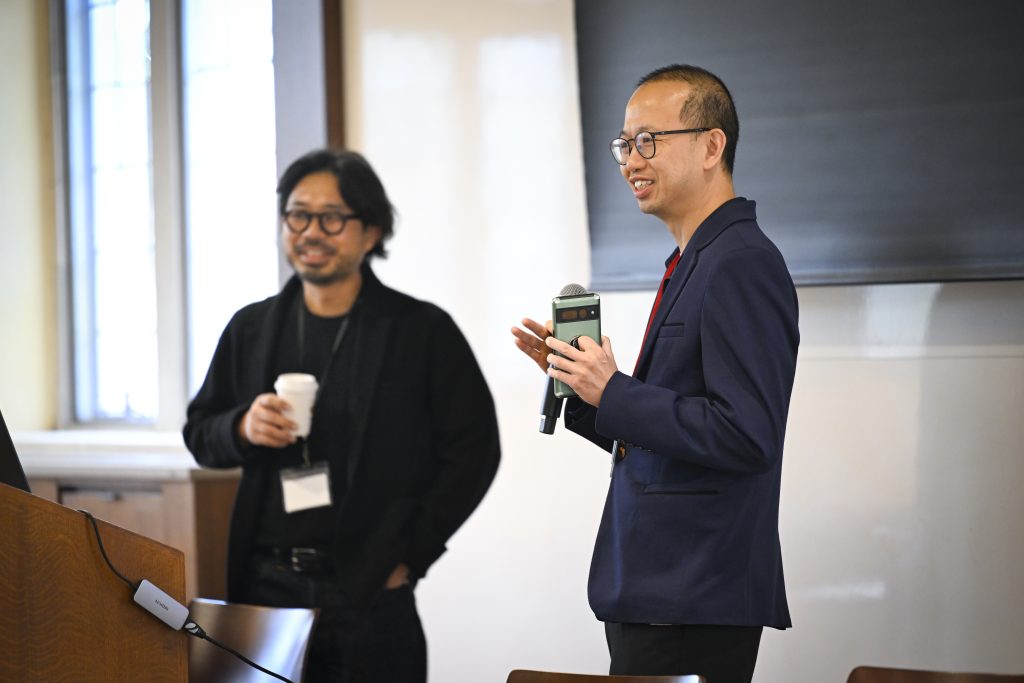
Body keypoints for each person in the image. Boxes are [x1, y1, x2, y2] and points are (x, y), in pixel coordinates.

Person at [512, 64, 799, 682]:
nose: (631, 160)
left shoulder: (741, 262)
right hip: (660, 587)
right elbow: (664, 436)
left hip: (695, 590)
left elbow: (746, 434)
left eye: (650, 140)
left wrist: (616, 389)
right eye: (624, 144)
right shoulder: (692, 259)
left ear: (711, 145)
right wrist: (585, 391)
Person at [184, 148, 500, 683]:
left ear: (371, 231)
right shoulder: (252, 328)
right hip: (265, 587)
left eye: (332, 217)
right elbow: (200, 431)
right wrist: (242, 426)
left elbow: (474, 452)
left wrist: (411, 555)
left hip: (370, 590)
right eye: (298, 215)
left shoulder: (420, 331)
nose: (311, 231)